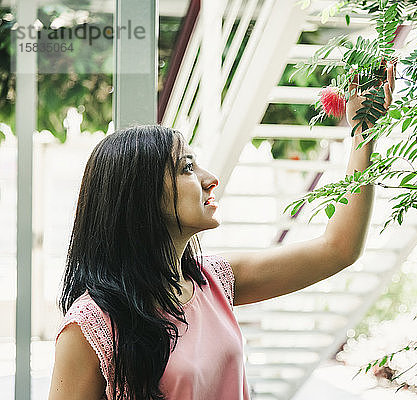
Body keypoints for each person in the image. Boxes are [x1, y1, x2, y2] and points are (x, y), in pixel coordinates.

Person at [48, 63, 396, 400]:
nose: (210, 178)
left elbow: (338, 249)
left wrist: (363, 134)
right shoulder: (91, 327)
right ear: (141, 196)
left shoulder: (213, 280)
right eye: (186, 168)